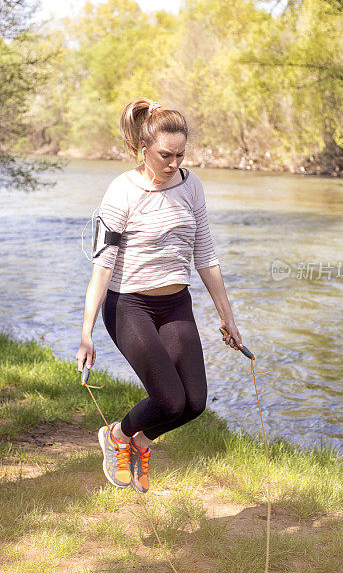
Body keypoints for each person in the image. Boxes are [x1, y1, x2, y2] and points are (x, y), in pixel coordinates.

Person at [76, 97, 244, 494]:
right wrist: (87, 333)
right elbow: (102, 266)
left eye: (180, 154)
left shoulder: (191, 185)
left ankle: (140, 441)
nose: (173, 163)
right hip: (129, 304)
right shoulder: (121, 192)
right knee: (168, 400)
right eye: (165, 155)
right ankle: (117, 435)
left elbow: (205, 254)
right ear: (143, 149)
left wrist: (228, 317)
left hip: (175, 303)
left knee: (195, 403)